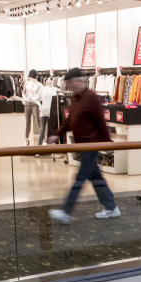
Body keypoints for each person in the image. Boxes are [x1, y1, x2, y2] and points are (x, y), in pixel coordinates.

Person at [49, 68, 119, 222]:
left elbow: (101, 123)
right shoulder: (75, 98)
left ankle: (66, 212)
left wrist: (107, 144)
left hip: (90, 145)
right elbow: (69, 120)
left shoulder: (92, 98)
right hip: (81, 145)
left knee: (79, 180)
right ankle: (111, 207)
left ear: (79, 81)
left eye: (70, 82)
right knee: (96, 178)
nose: (69, 86)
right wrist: (57, 135)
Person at [22, 69, 42, 145]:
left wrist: (37, 101)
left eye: (33, 77)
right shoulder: (27, 84)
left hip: (35, 104)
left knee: (38, 122)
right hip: (27, 104)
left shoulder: (39, 85)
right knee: (27, 123)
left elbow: (41, 95)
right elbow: (23, 92)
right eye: (31, 77)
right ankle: (26, 139)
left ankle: (43, 139)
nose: (32, 79)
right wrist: (24, 99)